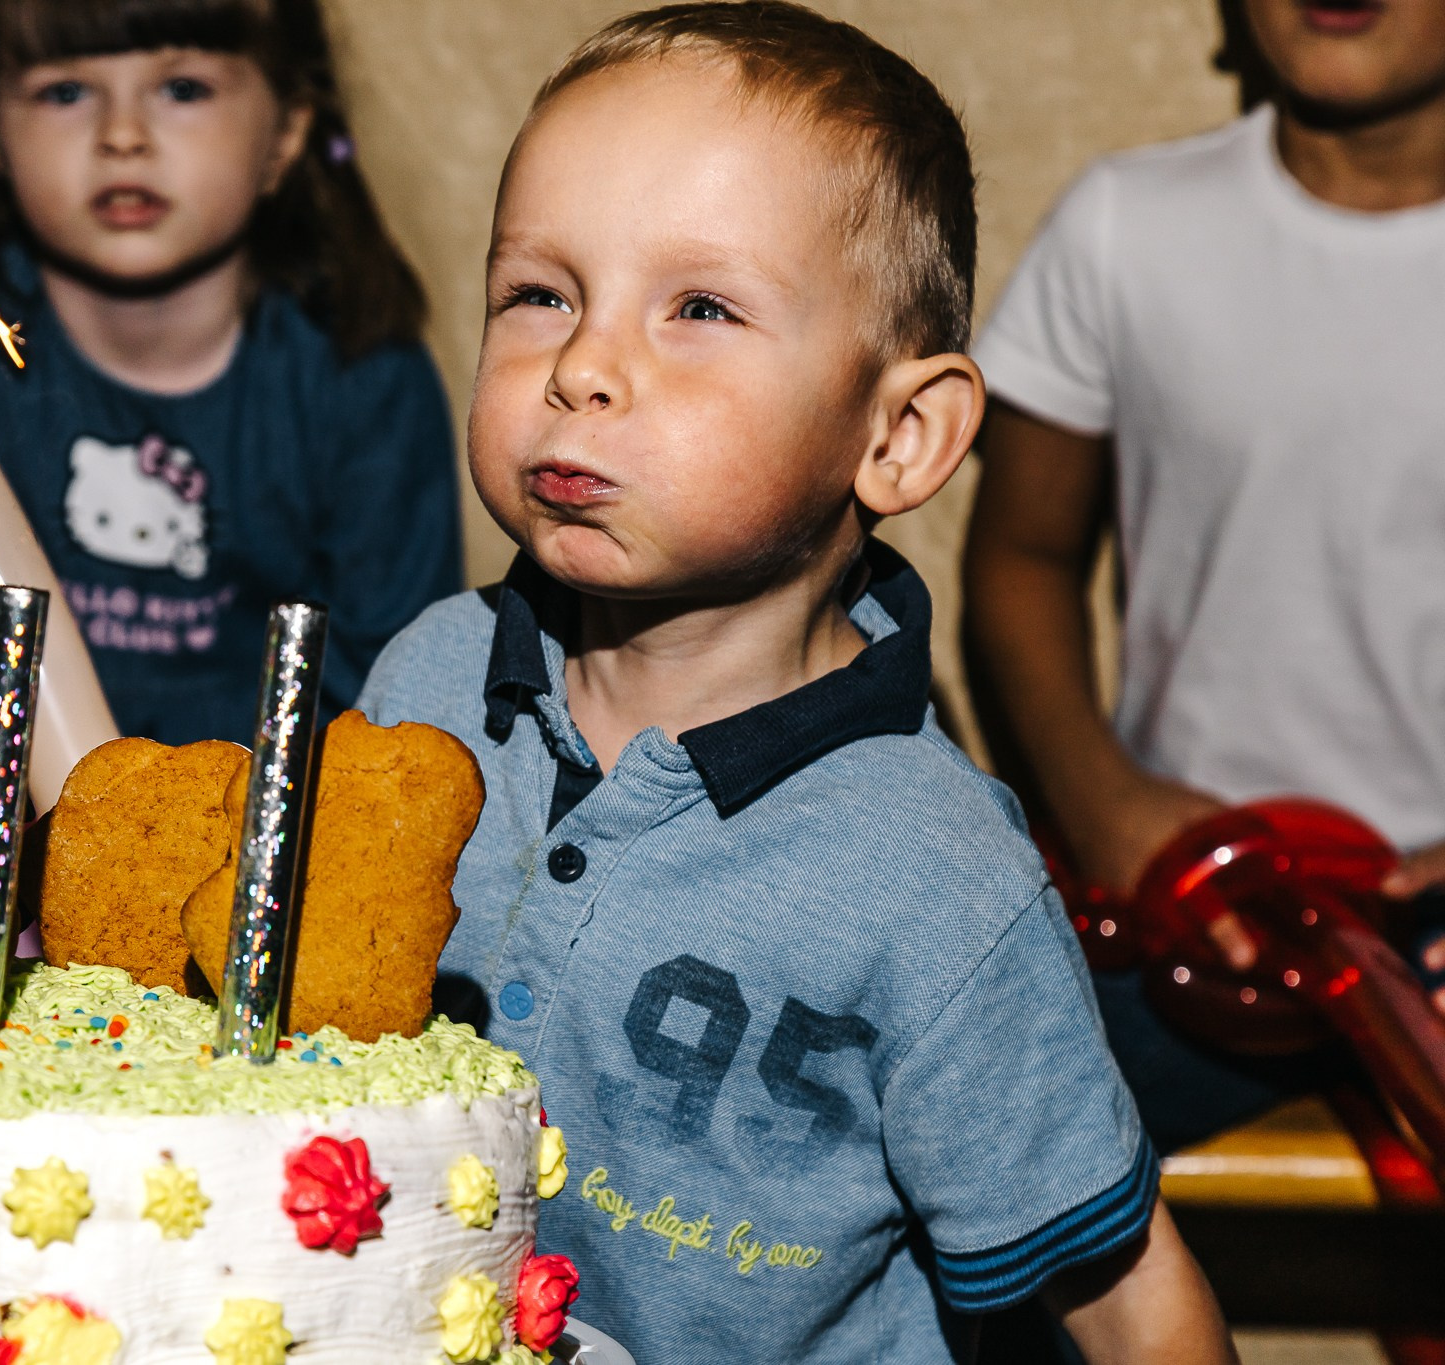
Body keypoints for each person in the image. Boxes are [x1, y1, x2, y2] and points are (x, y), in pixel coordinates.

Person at [357, 4, 1235, 1360]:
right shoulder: (423, 683)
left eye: (700, 308)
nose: (581, 368)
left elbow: (1129, 1303)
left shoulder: (937, 878)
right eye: (540, 294)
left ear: (899, 435)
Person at [964, 0, 1445, 1150]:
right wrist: (1103, 804)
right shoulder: (1127, 224)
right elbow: (1020, 558)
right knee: (976, 1136)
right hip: (1185, 900)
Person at [0, 0, 461, 746]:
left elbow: (392, 700)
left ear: (288, 131)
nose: (122, 135)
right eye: (66, 91)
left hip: (271, 811)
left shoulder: (368, 382)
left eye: (183, 89)